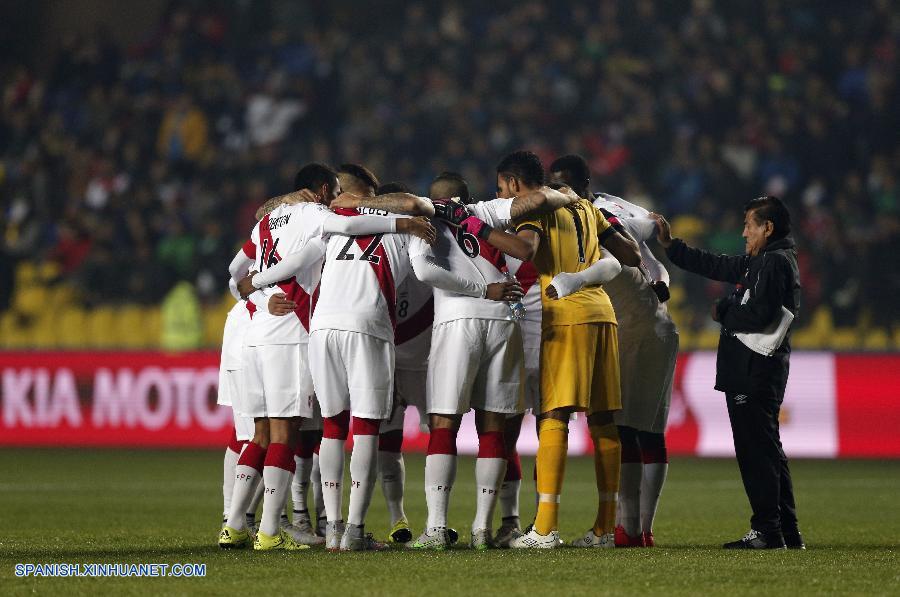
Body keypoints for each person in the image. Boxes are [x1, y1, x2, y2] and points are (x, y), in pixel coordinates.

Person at [491, 150, 639, 549]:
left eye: (503, 187)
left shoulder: (536, 209)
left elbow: (526, 248)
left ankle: (544, 528)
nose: (502, 195)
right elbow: (632, 255)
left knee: (554, 415)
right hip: (603, 313)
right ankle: (605, 529)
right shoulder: (589, 210)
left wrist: (478, 228)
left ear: (515, 184)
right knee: (604, 420)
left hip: (566, 316)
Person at [652, 196, 804, 550]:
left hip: (754, 370)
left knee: (756, 452)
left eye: (750, 224)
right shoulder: (766, 260)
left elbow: (762, 314)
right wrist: (672, 247)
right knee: (768, 451)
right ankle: (785, 530)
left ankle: (768, 530)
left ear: (768, 228)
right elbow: (717, 266)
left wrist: (724, 310)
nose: (743, 232)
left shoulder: (773, 262)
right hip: (758, 370)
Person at [549, 154, 679, 548]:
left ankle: (627, 528)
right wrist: (661, 281)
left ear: (577, 186)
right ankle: (641, 530)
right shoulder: (620, 207)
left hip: (633, 332)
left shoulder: (585, 217)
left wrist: (573, 280)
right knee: (650, 431)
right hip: (660, 326)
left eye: (561, 186)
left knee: (625, 429)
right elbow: (652, 235)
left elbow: (610, 262)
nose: (556, 194)